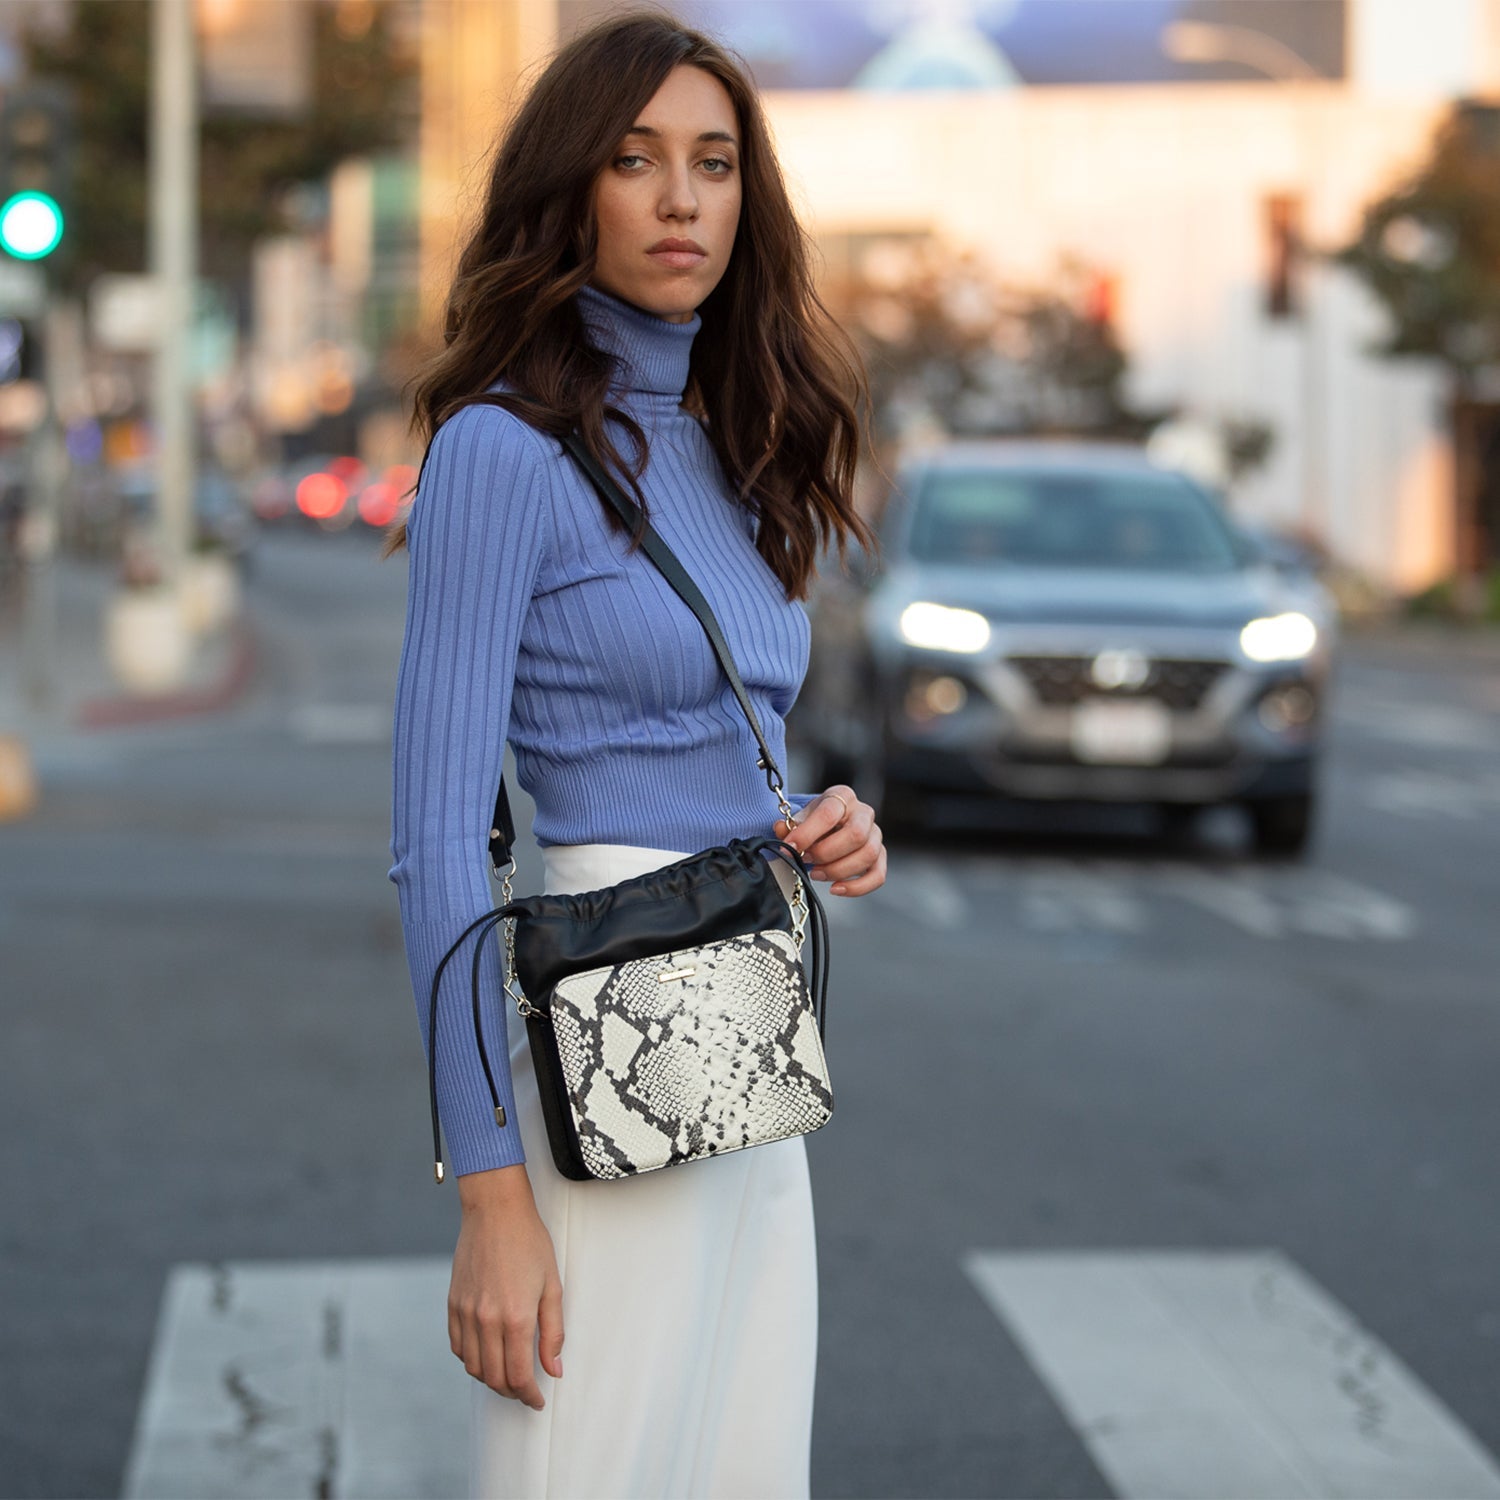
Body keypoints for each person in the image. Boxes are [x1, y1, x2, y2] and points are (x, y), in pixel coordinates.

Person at [385, 12, 887, 1498]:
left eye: (716, 164)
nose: (682, 200)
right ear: (571, 191)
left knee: (740, 1469)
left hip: (745, 1014)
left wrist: (813, 817)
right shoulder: (501, 451)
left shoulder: (737, 438)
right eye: (636, 159)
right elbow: (433, 842)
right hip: (603, 1022)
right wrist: (489, 1192)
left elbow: (711, 731)